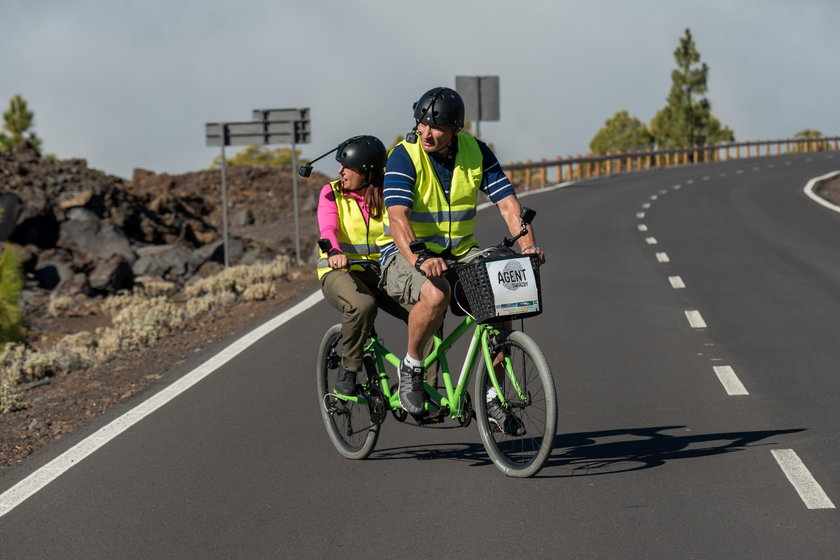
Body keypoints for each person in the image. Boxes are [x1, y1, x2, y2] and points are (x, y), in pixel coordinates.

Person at [377, 86, 545, 433]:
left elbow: (508, 205)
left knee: (502, 299)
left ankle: (492, 398)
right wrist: (420, 257)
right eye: (421, 123)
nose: (426, 132)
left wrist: (528, 246)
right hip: (406, 253)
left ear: (456, 129)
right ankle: (410, 366)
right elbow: (397, 218)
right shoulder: (403, 155)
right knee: (436, 293)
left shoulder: (476, 152)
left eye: (435, 127)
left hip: (458, 251)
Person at [317, 135, 408, 395]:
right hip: (339, 270)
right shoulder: (331, 192)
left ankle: (419, 381)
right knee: (362, 305)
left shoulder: (389, 194)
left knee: (425, 311)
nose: (339, 172)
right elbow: (328, 228)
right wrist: (334, 252)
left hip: (382, 271)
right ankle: (349, 368)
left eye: (347, 167)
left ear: (367, 173)